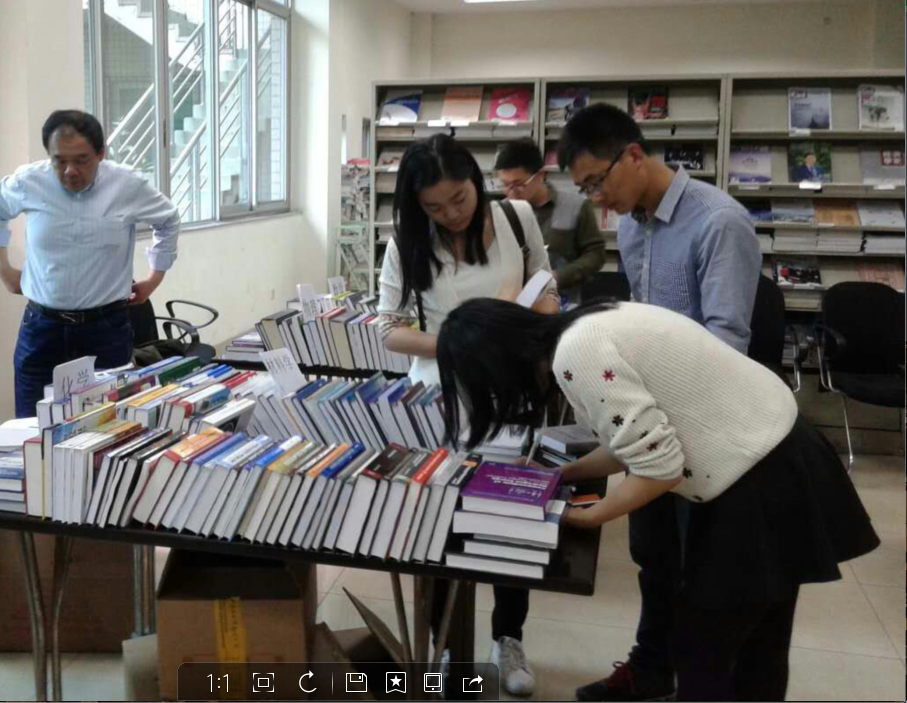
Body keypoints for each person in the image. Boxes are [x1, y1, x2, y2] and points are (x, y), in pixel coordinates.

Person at [436, 298, 879, 702]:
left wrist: (587, 516)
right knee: (761, 640)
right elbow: (633, 443)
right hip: (783, 455)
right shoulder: (589, 321)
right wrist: (560, 475)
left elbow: (659, 469)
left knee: (703, 647)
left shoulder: (576, 355)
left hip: (757, 480)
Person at [559, 103, 762, 701]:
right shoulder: (630, 226)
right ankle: (650, 669)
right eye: (585, 190)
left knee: (703, 573)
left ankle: (694, 682)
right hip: (651, 420)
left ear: (633, 155)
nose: (599, 201)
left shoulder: (719, 223)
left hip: (707, 428)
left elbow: (727, 344)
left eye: (598, 183)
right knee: (654, 558)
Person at [377, 133, 556, 696]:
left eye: (459, 199)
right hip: (439, 401)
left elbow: (546, 284)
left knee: (510, 517)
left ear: (476, 184)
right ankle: (444, 645)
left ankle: (508, 637)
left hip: (511, 394)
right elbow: (390, 330)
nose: (452, 215)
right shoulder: (406, 242)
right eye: (434, 208)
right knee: (437, 523)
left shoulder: (516, 218)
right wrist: (459, 346)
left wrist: (537, 319)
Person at [0, 110, 181, 418]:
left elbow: (168, 220)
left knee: (108, 428)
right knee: (32, 428)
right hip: (42, 329)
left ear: (101, 153)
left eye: (82, 160)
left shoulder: (126, 185)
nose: (70, 171)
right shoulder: (29, 181)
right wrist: (3, 269)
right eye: (59, 160)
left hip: (105, 329)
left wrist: (155, 278)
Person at [495, 138, 605, 304]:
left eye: (518, 184)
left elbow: (595, 254)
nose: (511, 193)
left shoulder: (575, 206)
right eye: (505, 185)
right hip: (513, 305)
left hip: (563, 303)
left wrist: (559, 277)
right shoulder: (500, 212)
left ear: (541, 175)